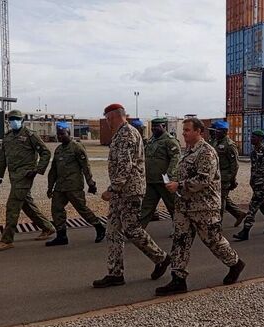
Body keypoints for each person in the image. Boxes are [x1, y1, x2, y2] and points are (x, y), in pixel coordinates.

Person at [156, 118, 245, 296]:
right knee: (180, 241)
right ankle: (178, 279)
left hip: (204, 206)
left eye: (188, 130)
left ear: (199, 131)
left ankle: (235, 264)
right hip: (185, 206)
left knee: (213, 240)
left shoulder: (207, 152)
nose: (184, 133)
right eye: (184, 130)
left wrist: (179, 185)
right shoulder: (187, 151)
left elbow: (204, 180)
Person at [93, 104, 170, 289]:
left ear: (112, 117)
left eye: (107, 118)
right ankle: (115, 274)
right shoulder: (122, 133)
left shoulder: (127, 133)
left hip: (129, 191)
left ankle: (162, 257)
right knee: (113, 231)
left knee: (132, 229)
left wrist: (113, 189)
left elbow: (125, 166)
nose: (107, 122)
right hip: (122, 192)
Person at [0, 109, 55, 251]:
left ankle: (7, 240)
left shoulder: (30, 135)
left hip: (25, 176)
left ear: (22, 121)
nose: (14, 121)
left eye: (16, 119)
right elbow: (2, 159)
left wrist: (37, 170)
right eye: (11, 119)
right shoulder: (7, 137)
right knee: (26, 205)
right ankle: (48, 228)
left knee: (12, 206)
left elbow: (45, 152)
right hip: (14, 177)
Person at [46, 123, 105, 246]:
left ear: (68, 133)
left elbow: (85, 167)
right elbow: (53, 170)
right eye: (58, 135)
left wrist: (91, 183)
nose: (60, 137)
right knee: (56, 210)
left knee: (82, 209)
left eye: (62, 134)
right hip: (60, 186)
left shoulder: (77, 147)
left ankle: (99, 227)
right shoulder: (58, 150)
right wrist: (50, 187)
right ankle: (61, 236)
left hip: (74, 186)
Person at [233, 130, 264, 241]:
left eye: (254, 137)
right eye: (251, 137)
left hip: (261, 184)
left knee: (252, 207)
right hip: (255, 183)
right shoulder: (253, 152)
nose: (251, 139)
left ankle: (245, 230)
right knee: (263, 206)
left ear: (260, 139)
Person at [139, 118, 181, 229]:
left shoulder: (169, 140)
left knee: (173, 207)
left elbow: (176, 158)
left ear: (164, 126)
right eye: (153, 127)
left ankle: (180, 229)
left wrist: (170, 175)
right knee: (146, 207)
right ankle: (137, 232)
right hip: (151, 180)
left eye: (157, 126)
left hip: (165, 181)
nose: (154, 129)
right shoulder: (152, 140)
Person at [210, 121, 246, 227]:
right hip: (216, 176)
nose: (216, 132)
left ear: (225, 132)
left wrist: (232, 179)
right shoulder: (216, 142)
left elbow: (235, 164)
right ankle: (238, 213)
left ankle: (218, 224)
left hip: (225, 177)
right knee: (222, 197)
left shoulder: (229, 145)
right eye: (216, 130)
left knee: (220, 201)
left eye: (218, 131)